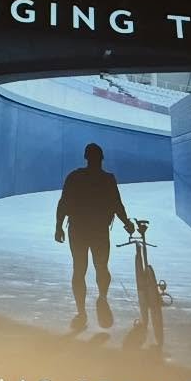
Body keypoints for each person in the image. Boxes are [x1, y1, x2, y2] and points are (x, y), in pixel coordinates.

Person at [55, 142, 135, 331]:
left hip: (78, 231)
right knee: (102, 267)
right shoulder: (108, 179)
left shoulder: (74, 177)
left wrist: (58, 227)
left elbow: (63, 203)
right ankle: (103, 297)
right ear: (102, 158)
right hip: (99, 231)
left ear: (85, 157)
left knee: (79, 269)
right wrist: (127, 223)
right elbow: (117, 204)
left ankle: (81, 312)